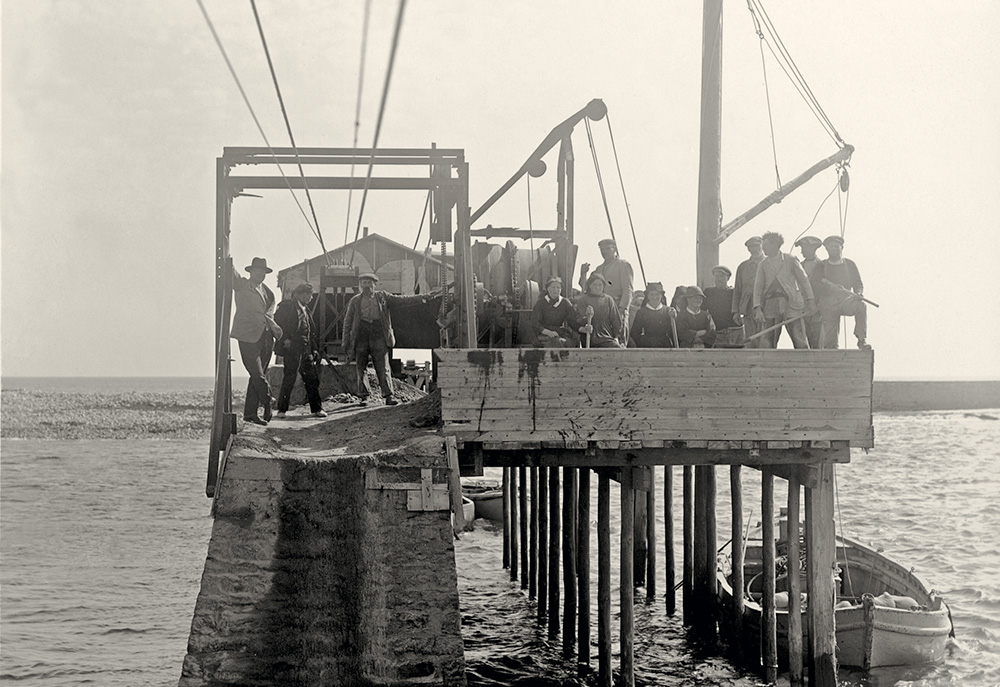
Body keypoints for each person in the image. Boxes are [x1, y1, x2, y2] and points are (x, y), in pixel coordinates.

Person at [343, 272, 433, 405]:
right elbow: (348, 321)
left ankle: (388, 396)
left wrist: (423, 297)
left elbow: (403, 300)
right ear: (360, 285)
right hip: (361, 334)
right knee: (360, 366)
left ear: (375, 284)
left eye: (369, 283)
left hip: (378, 333)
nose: (366, 286)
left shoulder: (382, 297)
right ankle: (363, 396)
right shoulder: (355, 301)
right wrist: (346, 340)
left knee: (382, 366)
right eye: (363, 283)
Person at [231, 257, 283, 425]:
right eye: (257, 270)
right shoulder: (242, 285)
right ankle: (268, 401)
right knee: (256, 372)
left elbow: (269, 314)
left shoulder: (268, 292)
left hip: (266, 337)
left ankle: (250, 414)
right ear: (250, 271)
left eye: (263, 271)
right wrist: (227, 253)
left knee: (256, 376)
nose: (260, 273)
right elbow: (231, 272)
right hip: (247, 335)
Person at [752, 232, 816, 349]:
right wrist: (757, 308)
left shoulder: (790, 260)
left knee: (798, 336)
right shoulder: (763, 264)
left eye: (766, 245)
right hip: (770, 304)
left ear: (775, 244)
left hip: (791, 304)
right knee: (767, 339)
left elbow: (804, 281)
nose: (763, 248)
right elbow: (758, 288)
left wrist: (810, 300)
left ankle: (804, 363)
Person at [274, 283, 326, 419]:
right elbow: (276, 323)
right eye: (309, 295)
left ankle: (317, 409)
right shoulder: (287, 306)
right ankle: (281, 410)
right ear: (301, 294)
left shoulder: (306, 310)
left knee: (312, 379)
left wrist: (313, 349)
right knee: (289, 377)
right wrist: (284, 339)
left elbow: (310, 332)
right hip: (292, 348)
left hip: (305, 348)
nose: (311, 298)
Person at [811, 235, 870, 350]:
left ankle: (862, 340)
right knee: (830, 340)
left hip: (846, 300)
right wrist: (830, 288)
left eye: (836, 247)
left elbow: (857, 282)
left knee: (861, 306)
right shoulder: (821, 266)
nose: (833, 249)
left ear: (841, 248)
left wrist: (859, 293)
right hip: (828, 302)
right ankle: (832, 352)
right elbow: (814, 284)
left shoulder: (850, 264)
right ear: (827, 249)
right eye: (830, 247)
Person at [579, 238, 634, 341]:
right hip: (601, 310)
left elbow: (628, 289)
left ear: (615, 249)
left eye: (608, 249)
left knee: (619, 338)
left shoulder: (623, 265)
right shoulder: (599, 269)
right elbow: (586, 288)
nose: (605, 252)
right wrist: (583, 273)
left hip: (617, 307)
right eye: (602, 249)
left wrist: (622, 309)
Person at [731, 236, 766, 347]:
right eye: (751, 247)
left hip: (765, 306)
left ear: (762, 246)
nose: (754, 249)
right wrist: (735, 311)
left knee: (765, 337)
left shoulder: (768, 263)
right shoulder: (743, 267)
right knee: (750, 338)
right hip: (747, 307)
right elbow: (738, 290)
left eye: (757, 246)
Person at [575, 272, 623, 348]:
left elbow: (616, 320)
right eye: (594, 285)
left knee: (617, 350)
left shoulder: (608, 300)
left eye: (600, 285)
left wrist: (617, 337)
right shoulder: (583, 300)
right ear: (590, 286)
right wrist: (587, 316)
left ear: (603, 286)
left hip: (606, 337)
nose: (597, 287)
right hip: (590, 338)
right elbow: (580, 320)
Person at [529, 276, 580, 347]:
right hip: (543, 333)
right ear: (548, 289)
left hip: (559, 332)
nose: (555, 290)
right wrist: (547, 332)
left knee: (570, 341)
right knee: (556, 342)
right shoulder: (540, 303)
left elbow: (573, 321)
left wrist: (583, 328)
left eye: (558, 288)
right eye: (553, 287)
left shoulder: (565, 303)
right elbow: (535, 322)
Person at [794, 235, 824, 348]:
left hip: (817, 308)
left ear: (813, 248)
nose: (802, 252)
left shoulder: (822, 265)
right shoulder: (799, 265)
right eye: (801, 248)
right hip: (802, 308)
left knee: (818, 339)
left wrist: (819, 305)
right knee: (804, 339)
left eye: (804, 248)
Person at [704, 265, 743, 346]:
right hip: (718, 332)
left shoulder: (735, 292)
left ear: (728, 278)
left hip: (735, 331)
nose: (719, 279)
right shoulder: (708, 292)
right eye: (716, 276)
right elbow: (701, 311)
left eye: (722, 276)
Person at [630, 282, 678, 348]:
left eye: (657, 294)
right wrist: (642, 342)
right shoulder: (641, 312)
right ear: (647, 296)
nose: (654, 297)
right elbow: (635, 333)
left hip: (665, 345)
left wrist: (674, 317)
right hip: (647, 345)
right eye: (651, 294)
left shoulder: (668, 311)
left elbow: (673, 333)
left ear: (661, 295)